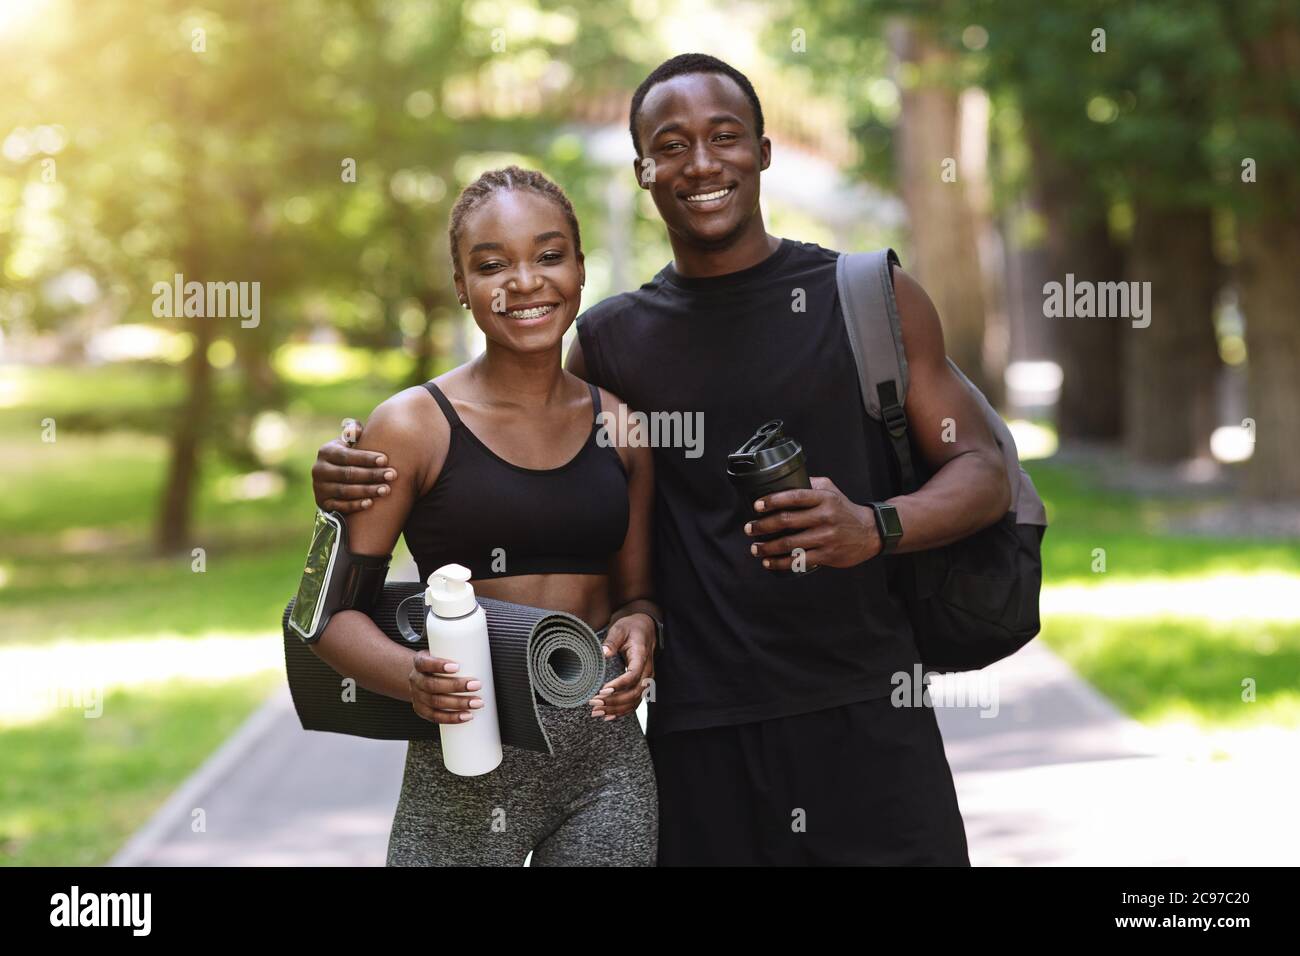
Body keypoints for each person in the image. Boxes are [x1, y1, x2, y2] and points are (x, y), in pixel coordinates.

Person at [315, 54, 1009, 866]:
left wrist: (873, 526)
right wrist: (346, 477)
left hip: (867, 710)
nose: (703, 163)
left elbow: (985, 470)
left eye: (725, 137)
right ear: (643, 168)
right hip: (697, 735)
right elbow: (540, 475)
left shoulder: (867, 296)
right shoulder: (611, 341)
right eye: (672, 145)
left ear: (764, 149)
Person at [311, 166, 660, 866]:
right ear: (461, 287)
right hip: (465, 761)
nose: (525, 281)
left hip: (606, 764)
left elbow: (637, 595)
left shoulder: (621, 427)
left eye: (549, 255)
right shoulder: (413, 425)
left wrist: (642, 624)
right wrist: (410, 676)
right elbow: (326, 616)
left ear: (581, 270)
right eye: (492, 264)